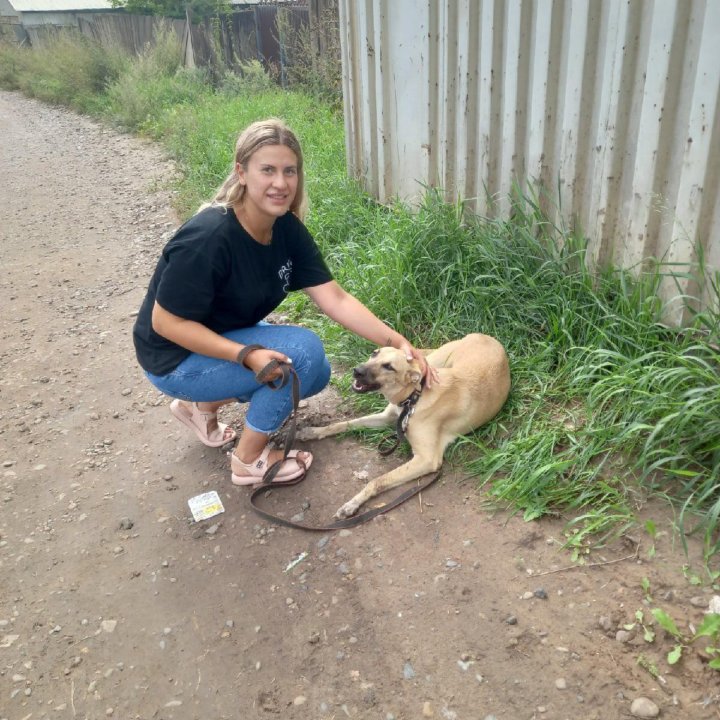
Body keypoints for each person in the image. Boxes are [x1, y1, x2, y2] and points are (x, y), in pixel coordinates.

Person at [133, 118, 436, 486]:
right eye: (268, 170)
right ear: (241, 172)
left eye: (289, 171)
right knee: (303, 354)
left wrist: (398, 343)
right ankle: (248, 460)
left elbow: (335, 298)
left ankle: (202, 407)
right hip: (173, 359)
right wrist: (246, 356)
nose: (281, 183)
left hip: (216, 339)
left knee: (317, 372)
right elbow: (166, 324)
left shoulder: (285, 228)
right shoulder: (208, 238)